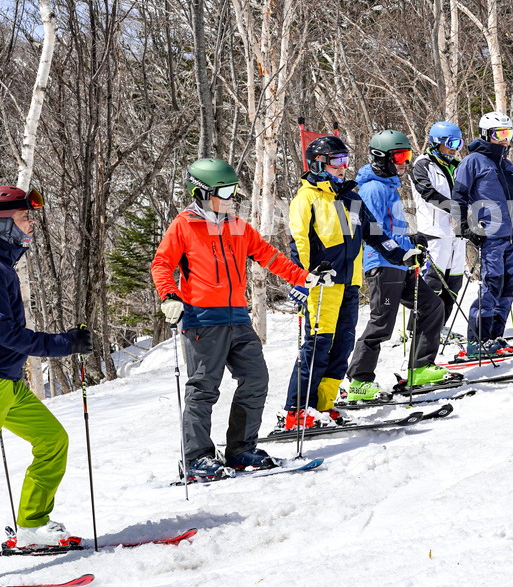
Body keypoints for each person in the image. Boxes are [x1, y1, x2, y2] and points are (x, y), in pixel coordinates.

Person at [0, 186, 94, 583]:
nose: (31, 226)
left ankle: (31, 525)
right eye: (25, 219)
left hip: (3, 380)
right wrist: (64, 343)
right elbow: (7, 333)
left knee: (52, 440)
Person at [151, 158, 332, 480]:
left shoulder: (237, 225)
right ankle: (196, 458)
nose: (232, 196)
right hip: (202, 320)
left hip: (238, 316)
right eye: (225, 190)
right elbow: (162, 264)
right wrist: (169, 296)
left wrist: (305, 278)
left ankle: (240, 449)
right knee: (203, 389)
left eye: (234, 189)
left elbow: (269, 255)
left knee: (256, 379)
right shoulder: (184, 225)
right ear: (202, 192)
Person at [344, 130, 449, 398]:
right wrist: (404, 249)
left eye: (407, 156)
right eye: (399, 156)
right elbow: (376, 232)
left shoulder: (387, 185)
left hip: (401, 263)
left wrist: (413, 242)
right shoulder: (373, 189)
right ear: (381, 158)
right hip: (383, 265)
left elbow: (394, 229)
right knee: (382, 323)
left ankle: (421, 366)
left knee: (432, 305)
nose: (404, 163)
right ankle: (358, 381)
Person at [280, 135, 365, 430]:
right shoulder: (307, 198)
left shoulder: (351, 197)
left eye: (346, 160)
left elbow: (374, 233)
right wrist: (302, 282)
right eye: (337, 161)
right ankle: (296, 410)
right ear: (318, 164)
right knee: (317, 346)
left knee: (342, 345)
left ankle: (324, 404)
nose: (343, 167)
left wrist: (403, 251)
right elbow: (298, 242)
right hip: (321, 284)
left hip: (349, 283)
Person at [453, 111, 513, 359]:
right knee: (491, 286)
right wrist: (465, 225)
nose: (505, 140)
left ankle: (495, 337)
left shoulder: (506, 164)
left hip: (512, 236)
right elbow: (459, 197)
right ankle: (477, 340)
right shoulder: (473, 162)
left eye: (508, 133)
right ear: (486, 135)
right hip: (491, 236)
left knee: (507, 287)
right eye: (499, 134)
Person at [410, 121, 469, 335]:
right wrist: (455, 210)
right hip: (434, 233)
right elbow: (427, 193)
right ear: (437, 143)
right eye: (451, 143)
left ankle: (439, 326)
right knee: (432, 283)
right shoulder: (423, 164)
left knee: (454, 283)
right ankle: (417, 328)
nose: (455, 148)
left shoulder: (457, 165)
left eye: (459, 143)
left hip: (456, 235)